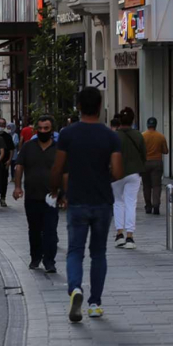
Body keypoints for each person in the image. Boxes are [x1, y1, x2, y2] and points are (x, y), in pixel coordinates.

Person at [50, 86, 122, 322]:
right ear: (100, 106)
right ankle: (95, 303)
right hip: (102, 201)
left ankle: (75, 289)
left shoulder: (68, 134)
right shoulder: (111, 136)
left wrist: (56, 191)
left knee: (75, 251)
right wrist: (103, 177)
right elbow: (118, 171)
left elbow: (58, 168)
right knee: (99, 253)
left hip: (77, 200)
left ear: (79, 106)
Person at [14, 115, 60, 273]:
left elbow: (65, 171)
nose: (43, 131)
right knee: (34, 229)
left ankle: (49, 261)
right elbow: (19, 166)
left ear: (52, 130)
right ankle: (35, 257)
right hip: (32, 195)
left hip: (52, 197)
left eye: (46, 128)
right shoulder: (28, 147)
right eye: (40, 128)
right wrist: (17, 187)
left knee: (50, 230)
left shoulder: (58, 149)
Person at [112, 108, 146, 249]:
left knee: (118, 202)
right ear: (133, 120)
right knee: (131, 203)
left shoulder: (114, 136)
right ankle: (130, 237)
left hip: (116, 173)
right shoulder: (138, 135)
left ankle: (119, 234)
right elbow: (144, 155)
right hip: (134, 172)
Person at [141, 117, 168, 215]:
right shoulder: (160, 136)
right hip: (157, 162)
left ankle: (148, 206)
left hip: (145, 162)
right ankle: (156, 205)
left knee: (146, 186)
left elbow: (140, 150)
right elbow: (165, 151)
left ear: (147, 125)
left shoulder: (142, 136)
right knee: (156, 185)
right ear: (156, 125)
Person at [0, 118, 13, 207]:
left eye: (3, 124)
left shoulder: (7, 136)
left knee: (3, 181)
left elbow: (11, 149)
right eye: (0, 124)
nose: (1, 126)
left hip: (4, 162)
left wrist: (9, 160)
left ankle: (2, 198)